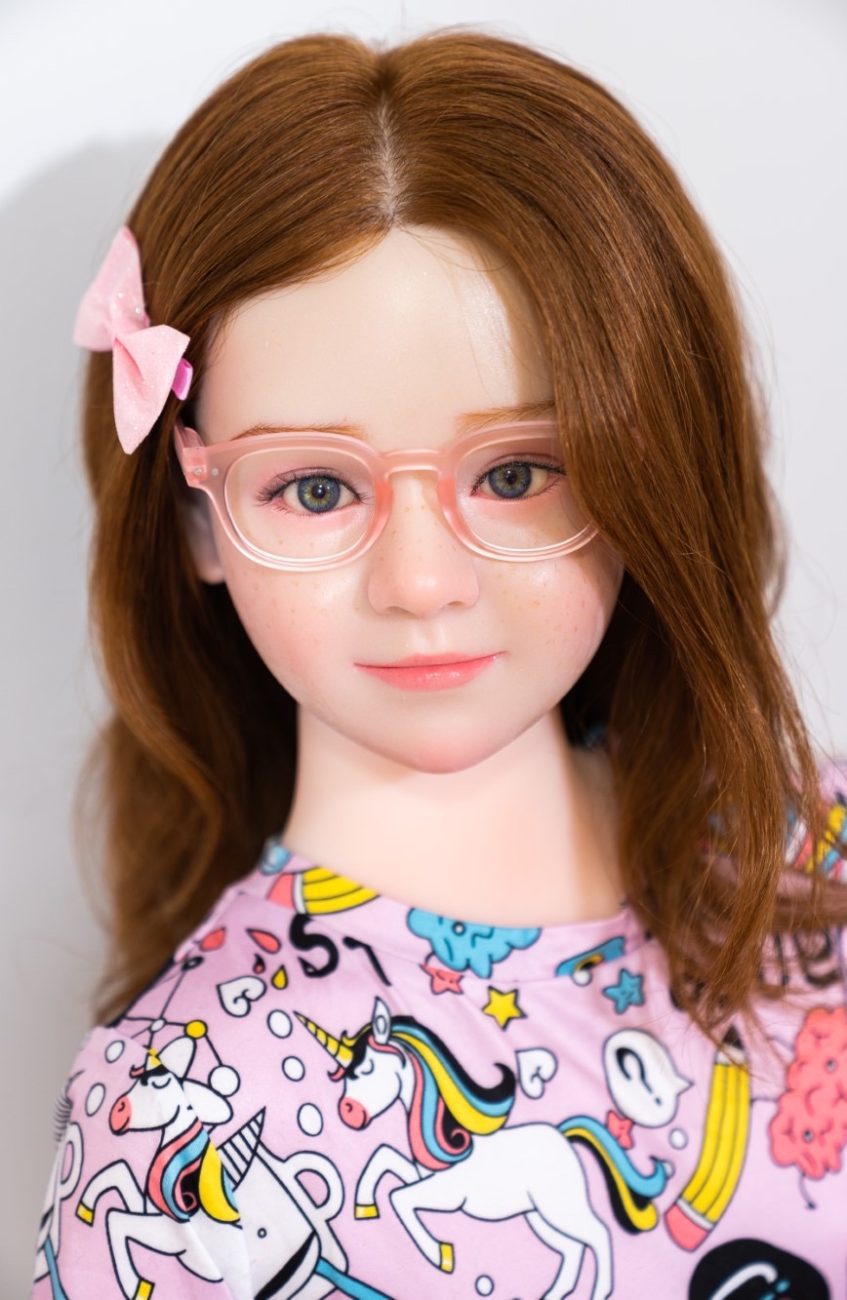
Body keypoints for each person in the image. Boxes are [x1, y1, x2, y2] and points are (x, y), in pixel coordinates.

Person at [30, 27, 847, 1300]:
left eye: (516, 473)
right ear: (195, 518)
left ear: (649, 467)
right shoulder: (179, 1128)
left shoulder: (815, 850)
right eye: (314, 487)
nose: (421, 582)